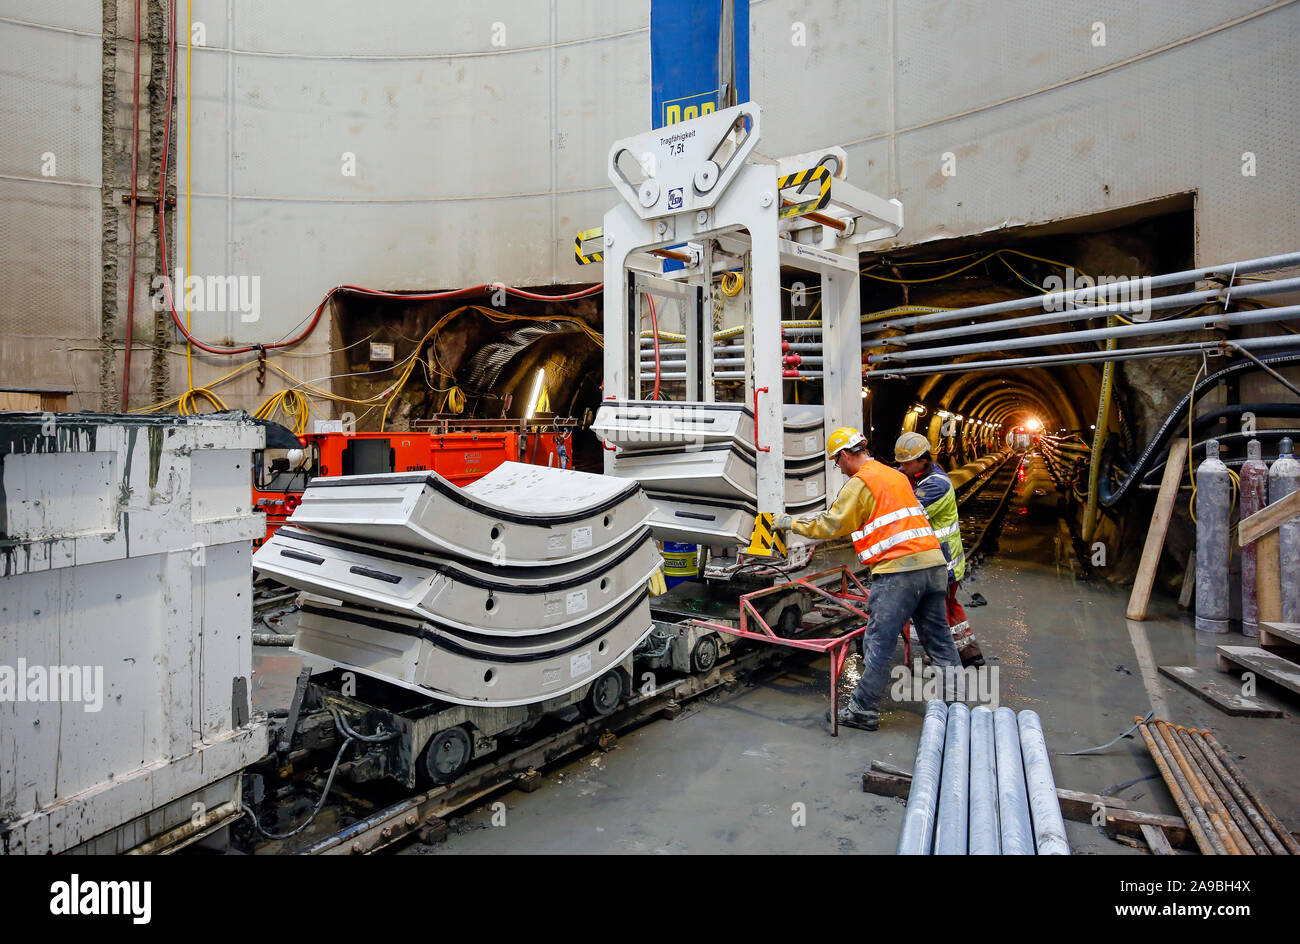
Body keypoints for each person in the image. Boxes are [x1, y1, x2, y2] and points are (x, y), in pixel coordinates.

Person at [773, 427, 962, 731]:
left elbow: (831, 524)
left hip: (900, 571)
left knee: (878, 640)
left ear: (846, 455)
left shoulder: (860, 482)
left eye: (837, 462)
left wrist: (789, 523)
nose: (840, 467)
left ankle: (862, 710)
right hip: (933, 566)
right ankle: (959, 705)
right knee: (938, 639)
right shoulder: (895, 476)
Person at [894, 432, 985, 667]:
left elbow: (909, 514)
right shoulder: (917, 474)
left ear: (922, 460)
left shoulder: (936, 485)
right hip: (940, 559)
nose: (902, 468)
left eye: (906, 463)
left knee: (935, 613)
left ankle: (940, 657)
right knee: (950, 607)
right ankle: (970, 653)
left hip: (942, 562)